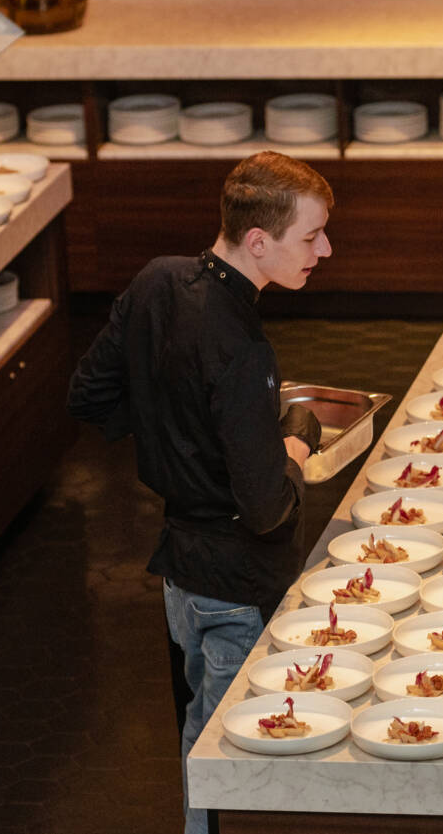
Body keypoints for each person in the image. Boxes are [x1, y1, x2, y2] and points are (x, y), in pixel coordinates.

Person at [67, 150, 333, 834]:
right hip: (236, 585)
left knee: (197, 727)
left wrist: (171, 427)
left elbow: (90, 395)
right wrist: (297, 443)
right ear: (257, 240)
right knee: (227, 752)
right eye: (310, 237)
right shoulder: (243, 347)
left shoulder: (157, 280)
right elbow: (267, 505)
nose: (324, 250)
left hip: (179, 580)